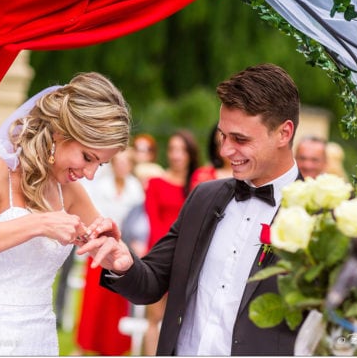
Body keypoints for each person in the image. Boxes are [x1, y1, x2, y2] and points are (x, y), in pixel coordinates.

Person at [78, 63, 303, 355]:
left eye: (241, 139)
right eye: (223, 136)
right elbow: (151, 281)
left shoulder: (319, 217)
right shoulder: (204, 198)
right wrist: (124, 264)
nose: (224, 151)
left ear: (284, 133)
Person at [0, 72, 130, 356]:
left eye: (101, 165)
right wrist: (38, 223)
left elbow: (107, 251)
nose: (91, 174)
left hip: (42, 342)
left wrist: (115, 254)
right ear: (60, 134)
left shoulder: (69, 193)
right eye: (87, 157)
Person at [76, 148, 144, 356]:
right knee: (94, 301)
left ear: (131, 165)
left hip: (123, 248)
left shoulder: (136, 188)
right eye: (119, 162)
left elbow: (139, 221)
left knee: (116, 302)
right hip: (99, 246)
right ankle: (87, 344)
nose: (122, 166)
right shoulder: (102, 186)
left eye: (126, 162)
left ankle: (113, 347)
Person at [141, 129, 199, 355]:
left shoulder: (200, 185)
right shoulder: (155, 183)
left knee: (184, 318)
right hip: (160, 255)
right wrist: (162, 260)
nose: (176, 155)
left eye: (182, 150)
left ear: (190, 154)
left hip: (189, 257)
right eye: (173, 149)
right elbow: (153, 223)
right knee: (154, 318)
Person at [190, 123, 232, 191]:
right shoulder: (202, 176)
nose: (227, 148)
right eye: (220, 144)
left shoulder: (252, 177)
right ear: (215, 149)